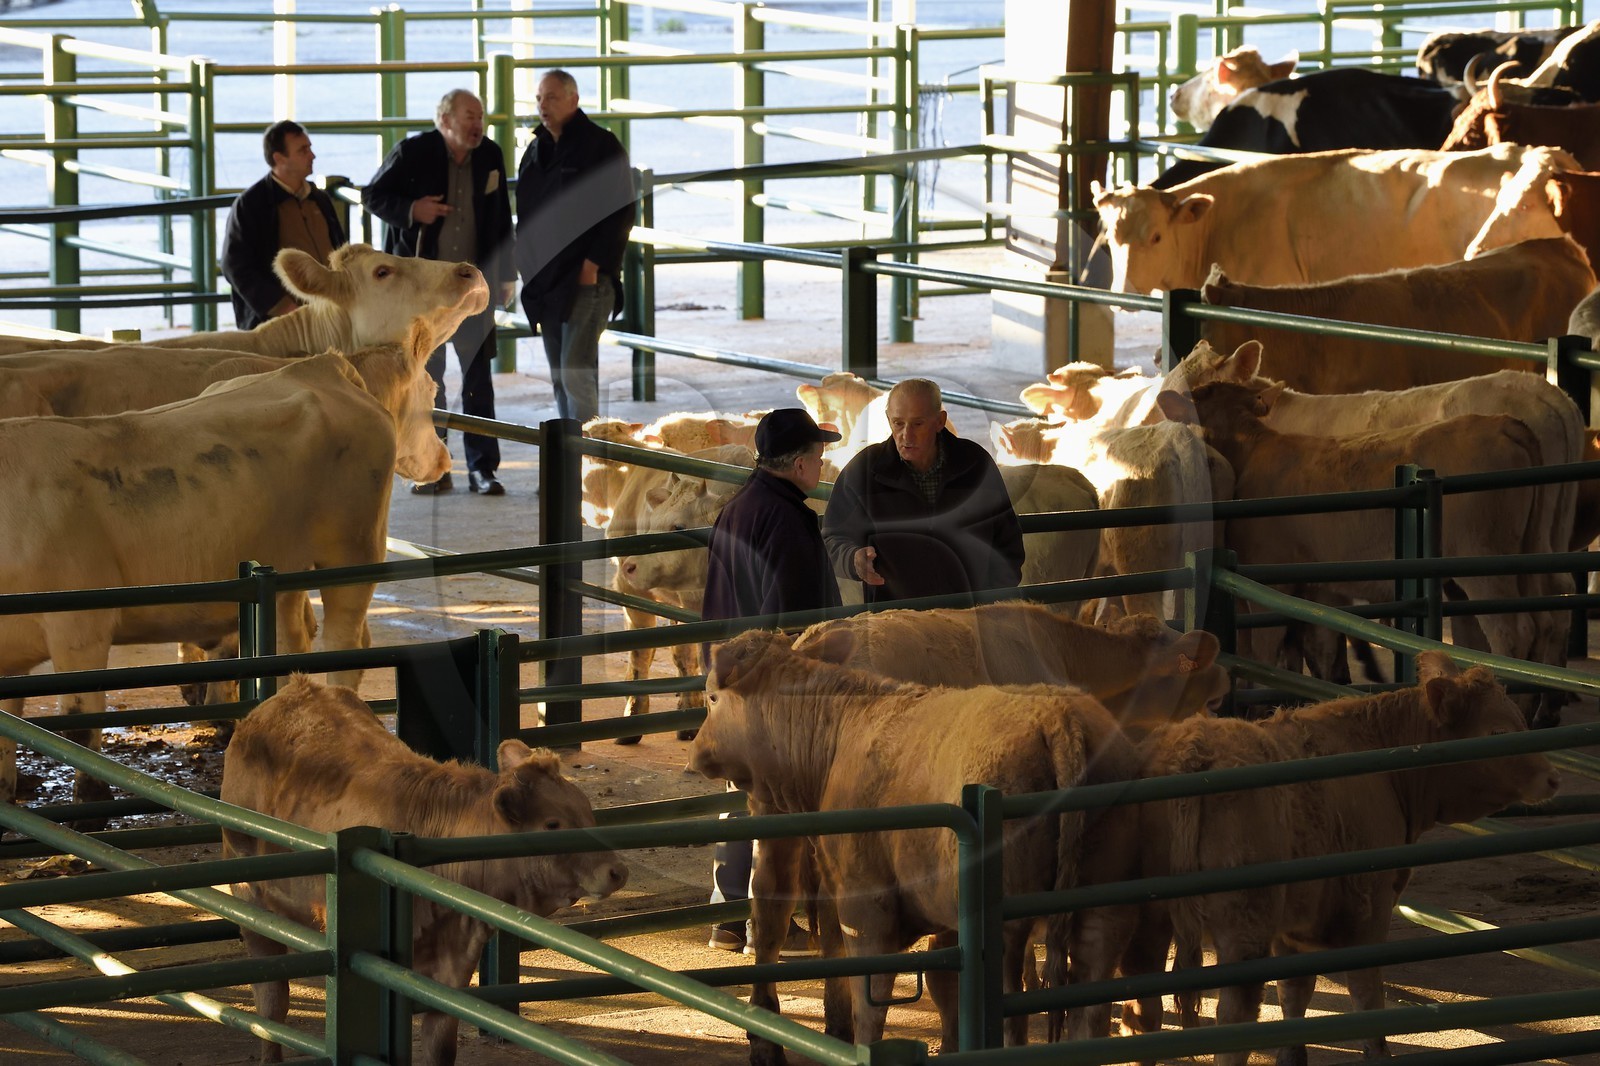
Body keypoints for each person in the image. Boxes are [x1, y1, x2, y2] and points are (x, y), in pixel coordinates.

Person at [701, 408, 842, 954]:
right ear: (800, 463)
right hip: (770, 682)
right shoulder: (787, 520)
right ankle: (765, 923)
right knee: (774, 800)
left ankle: (728, 915)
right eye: (819, 455)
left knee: (742, 791)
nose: (822, 464)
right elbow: (795, 616)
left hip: (728, 670)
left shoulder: (738, 507)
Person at [363, 89, 514, 496]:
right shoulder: (413, 152)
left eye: (480, 116)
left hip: (473, 291)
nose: (478, 124)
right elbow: (372, 195)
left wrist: (506, 275)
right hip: (423, 297)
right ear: (445, 120)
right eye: (469, 117)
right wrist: (414, 210)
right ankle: (435, 469)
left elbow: (501, 215)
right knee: (430, 382)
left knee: (478, 379)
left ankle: (483, 469)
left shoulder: (490, 154)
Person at [823, 378, 1024, 604]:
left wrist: (991, 600)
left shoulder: (976, 465)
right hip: (898, 619)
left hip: (969, 616)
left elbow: (1008, 541)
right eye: (898, 423)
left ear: (940, 421)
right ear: (888, 419)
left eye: (918, 424)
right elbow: (832, 538)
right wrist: (853, 560)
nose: (906, 435)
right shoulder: (863, 471)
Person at [515, 69, 636, 423]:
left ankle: (585, 452)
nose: (543, 105)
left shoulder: (601, 145)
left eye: (552, 97)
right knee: (560, 376)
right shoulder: (535, 149)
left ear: (574, 99)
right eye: (539, 98)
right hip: (546, 281)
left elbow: (621, 212)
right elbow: (526, 214)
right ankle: (570, 451)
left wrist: (593, 265)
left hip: (587, 280)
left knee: (575, 373)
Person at [219, 120, 346, 330]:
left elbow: (339, 251)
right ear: (279, 158)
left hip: (327, 316)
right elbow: (235, 265)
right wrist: (282, 307)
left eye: (310, 148)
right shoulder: (251, 204)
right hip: (278, 323)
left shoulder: (320, 199)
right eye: (303, 150)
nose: (312, 155)